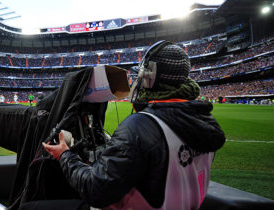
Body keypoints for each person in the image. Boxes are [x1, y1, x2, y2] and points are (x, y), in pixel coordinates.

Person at [43, 41, 226, 209]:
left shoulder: (141, 126)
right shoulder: (205, 121)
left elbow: (96, 190)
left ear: (149, 76)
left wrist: (65, 155)